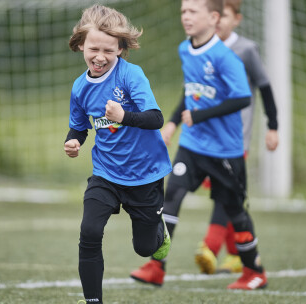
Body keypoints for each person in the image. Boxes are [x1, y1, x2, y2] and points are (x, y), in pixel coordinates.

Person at [130, 0, 268, 290]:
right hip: (192, 145)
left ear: (213, 17)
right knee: (171, 198)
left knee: (235, 210)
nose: (186, 17)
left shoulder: (225, 57)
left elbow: (242, 98)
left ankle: (254, 271)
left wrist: (201, 114)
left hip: (225, 151)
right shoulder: (185, 49)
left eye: (193, 11)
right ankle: (156, 266)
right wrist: (171, 123)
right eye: (183, 11)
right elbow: (189, 88)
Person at [65, 4, 173, 303]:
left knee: (145, 248)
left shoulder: (130, 76)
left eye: (109, 51)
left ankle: (158, 232)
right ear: (81, 45)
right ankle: (93, 300)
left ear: (121, 49)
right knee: (89, 231)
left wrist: (124, 115)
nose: (100, 57)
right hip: (106, 173)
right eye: (93, 48)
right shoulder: (80, 88)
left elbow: (155, 119)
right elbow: (79, 128)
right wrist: (73, 142)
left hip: (144, 174)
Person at [195, 0, 279, 276]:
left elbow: (265, 88)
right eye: (213, 16)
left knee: (225, 193)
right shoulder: (203, 50)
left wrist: (273, 126)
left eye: (224, 16)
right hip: (208, 139)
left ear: (236, 19)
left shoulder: (246, 50)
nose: (217, 22)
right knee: (227, 195)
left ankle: (210, 246)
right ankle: (235, 255)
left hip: (235, 140)